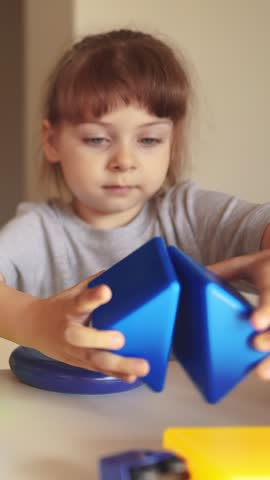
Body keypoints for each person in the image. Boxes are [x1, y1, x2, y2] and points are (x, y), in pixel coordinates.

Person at [0, 29, 269, 383]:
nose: (124, 160)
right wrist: (33, 321)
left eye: (148, 139)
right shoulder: (39, 232)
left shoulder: (188, 214)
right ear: (52, 141)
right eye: (97, 139)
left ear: (172, 142)